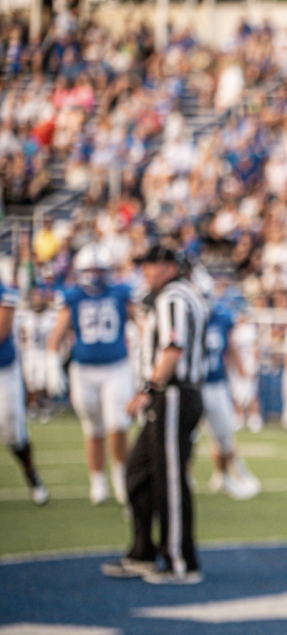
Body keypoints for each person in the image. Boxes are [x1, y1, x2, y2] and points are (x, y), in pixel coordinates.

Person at [102, 246, 208, 584]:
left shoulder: (173, 298)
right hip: (168, 395)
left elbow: (174, 348)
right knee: (138, 474)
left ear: (168, 267)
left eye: (151, 264)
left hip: (173, 394)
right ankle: (143, 552)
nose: (146, 271)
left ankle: (181, 561)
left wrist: (149, 388)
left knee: (169, 481)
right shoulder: (174, 296)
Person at [48, 245, 137, 505]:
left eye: (101, 269)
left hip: (116, 367)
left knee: (118, 426)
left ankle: (122, 478)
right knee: (93, 429)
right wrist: (53, 363)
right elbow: (58, 333)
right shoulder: (73, 296)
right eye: (92, 270)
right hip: (83, 370)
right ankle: (98, 481)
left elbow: (141, 321)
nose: (96, 275)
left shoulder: (121, 293)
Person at [202, 296, 261, 500]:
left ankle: (225, 475)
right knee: (184, 438)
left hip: (216, 383)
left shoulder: (222, 318)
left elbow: (231, 347)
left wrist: (239, 368)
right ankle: (183, 479)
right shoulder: (185, 314)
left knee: (223, 434)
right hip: (191, 385)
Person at [0, 279, 49, 505]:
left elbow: (2, 329)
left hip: (3, 369)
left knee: (11, 430)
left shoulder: (4, 288)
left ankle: (31, 474)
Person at [18, 288, 58, 422]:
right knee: (31, 382)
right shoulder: (25, 316)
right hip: (29, 352)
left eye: (39, 298)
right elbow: (21, 335)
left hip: (44, 353)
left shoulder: (51, 316)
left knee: (43, 381)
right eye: (35, 298)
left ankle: (45, 406)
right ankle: (33, 407)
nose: (37, 301)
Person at [228, 308, 263, 432]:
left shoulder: (250, 330)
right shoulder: (234, 330)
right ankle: (239, 418)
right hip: (236, 367)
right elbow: (232, 351)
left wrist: (254, 365)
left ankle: (254, 419)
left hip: (249, 365)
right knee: (237, 394)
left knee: (251, 394)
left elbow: (256, 349)